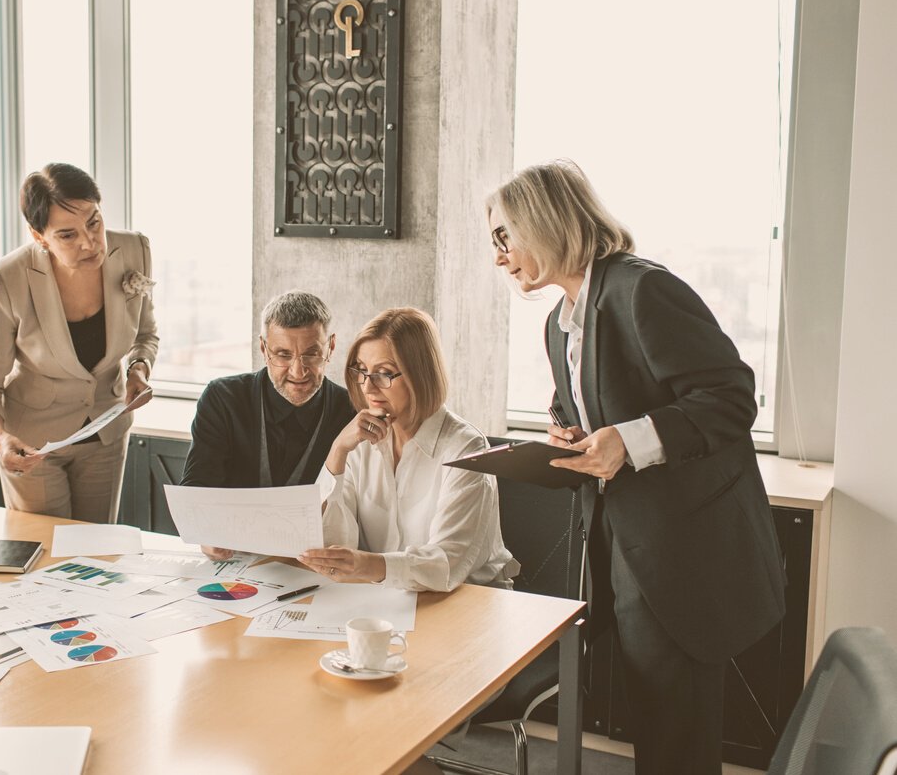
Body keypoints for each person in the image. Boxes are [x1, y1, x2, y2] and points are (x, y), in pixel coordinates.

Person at [486, 160, 785, 775]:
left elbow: (730, 398)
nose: (499, 257)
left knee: (677, 731)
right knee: (655, 716)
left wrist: (627, 440)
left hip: (680, 549)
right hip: (620, 544)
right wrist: (566, 430)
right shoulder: (557, 322)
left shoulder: (642, 289)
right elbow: (591, 396)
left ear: (542, 222)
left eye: (502, 236)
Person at [0, 162, 158, 522]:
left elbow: (145, 334)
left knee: (98, 554)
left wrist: (138, 368)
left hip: (106, 432)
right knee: (45, 555)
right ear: (39, 236)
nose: (88, 242)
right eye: (67, 235)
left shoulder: (134, 250)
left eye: (94, 222)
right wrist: (0, 439)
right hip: (33, 444)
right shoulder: (6, 278)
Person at [297, 308, 517, 592]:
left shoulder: (465, 448)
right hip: (386, 600)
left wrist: (366, 565)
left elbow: (445, 563)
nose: (369, 387)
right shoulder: (359, 442)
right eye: (362, 371)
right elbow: (330, 545)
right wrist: (337, 451)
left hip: (467, 603)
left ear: (420, 374)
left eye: (384, 374)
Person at [181, 290, 356, 560]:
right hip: (234, 562)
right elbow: (197, 489)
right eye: (283, 355)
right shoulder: (222, 399)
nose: (298, 372)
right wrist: (205, 534)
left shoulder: (351, 411)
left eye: (311, 354)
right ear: (263, 349)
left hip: (315, 567)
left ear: (330, 347)